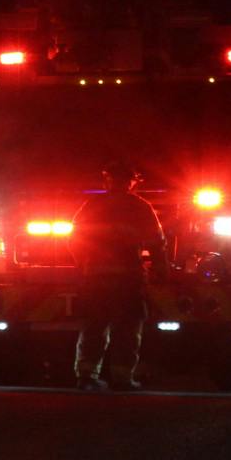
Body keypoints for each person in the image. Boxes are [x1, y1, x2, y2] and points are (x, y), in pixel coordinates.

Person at [71, 159, 166, 392]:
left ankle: (86, 377)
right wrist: (161, 269)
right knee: (127, 329)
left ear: (107, 179)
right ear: (132, 182)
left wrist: (83, 265)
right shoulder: (140, 206)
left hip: (96, 279)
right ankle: (122, 378)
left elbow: (74, 240)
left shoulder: (92, 205)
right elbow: (157, 242)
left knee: (94, 327)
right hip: (128, 280)